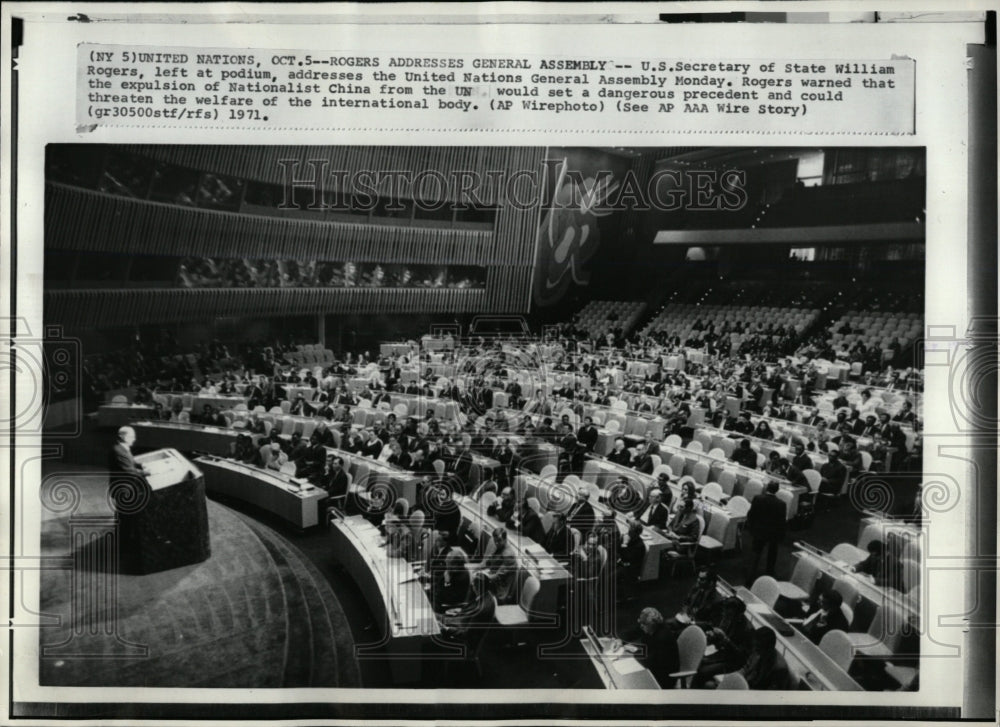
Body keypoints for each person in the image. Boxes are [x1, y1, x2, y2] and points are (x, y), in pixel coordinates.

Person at [692, 597, 753, 687]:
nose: (725, 616)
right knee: (698, 661)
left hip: (733, 662)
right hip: (722, 653)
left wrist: (725, 639)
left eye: (729, 615)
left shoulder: (747, 630)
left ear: (738, 615)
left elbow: (741, 656)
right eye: (725, 613)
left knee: (702, 671)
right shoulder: (727, 616)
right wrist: (713, 636)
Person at [616, 607, 681, 688]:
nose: (641, 626)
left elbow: (652, 662)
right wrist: (620, 640)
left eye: (643, 624)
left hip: (664, 678)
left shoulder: (662, 638)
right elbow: (633, 632)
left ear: (652, 625)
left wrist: (634, 653)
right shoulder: (650, 627)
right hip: (652, 665)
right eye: (640, 623)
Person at [745, 480, 787, 581]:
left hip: (759, 531)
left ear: (767, 488)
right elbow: (782, 522)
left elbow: (750, 515)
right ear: (777, 490)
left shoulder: (757, 498)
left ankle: (750, 576)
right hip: (773, 533)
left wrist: (752, 528)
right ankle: (769, 573)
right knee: (772, 553)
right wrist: (781, 536)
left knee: (756, 553)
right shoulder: (781, 504)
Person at [478, 527, 517, 604]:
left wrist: (482, 574)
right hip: (492, 580)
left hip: (499, 590)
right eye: (495, 541)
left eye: (499, 541)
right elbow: (489, 563)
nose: (496, 543)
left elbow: (497, 576)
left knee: (476, 584)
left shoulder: (509, 555)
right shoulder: (499, 547)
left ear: (505, 539)